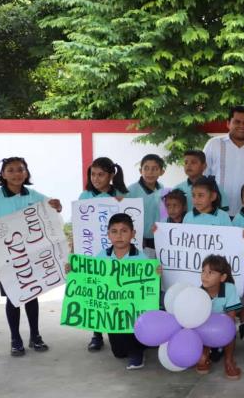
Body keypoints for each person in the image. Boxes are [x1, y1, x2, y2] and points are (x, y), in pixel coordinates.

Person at [0, 157, 62, 356]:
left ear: (26, 173)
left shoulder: (33, 195)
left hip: (32, 256)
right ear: (3, 175)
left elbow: (53, 209)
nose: (16, 174)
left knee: (32, 294)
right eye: (11, 170)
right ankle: (15, 339)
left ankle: (35, 336)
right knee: (13, 298)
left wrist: (57, 206)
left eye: (20, 169)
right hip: (8, 258)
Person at [78, 156, 128, 352]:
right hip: (93, 254)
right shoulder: (84, 197)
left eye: (101, 174)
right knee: (97, 294)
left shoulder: (123, 195)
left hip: (117, 253)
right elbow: (80, 227)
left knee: (115, 291)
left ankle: (118, 330)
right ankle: (96, 334)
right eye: (93, 174)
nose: (96, 178)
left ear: (111, 175)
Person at [92, 214, 150, 370]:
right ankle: (138, 346)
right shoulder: (102, 256)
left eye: (124, 231)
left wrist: (155, 273)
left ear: (133, 234)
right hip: (112, 309)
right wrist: (74, 270)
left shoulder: (142, 259)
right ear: (108, 234)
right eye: (114, 231)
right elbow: (91, 278)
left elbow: (148, 284)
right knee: (119, 353)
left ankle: (137, 351)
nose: (119, 235)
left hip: (133, 310)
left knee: (131, 338)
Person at [203, 106, 244, 216]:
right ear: (228, 123)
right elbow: (203, 178)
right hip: (216, 213)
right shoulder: (213, 144)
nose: (241, 126)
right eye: (237, 122)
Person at [195, 255, 243, 380]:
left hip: (223, 329)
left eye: (210, 272)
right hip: (204, 329)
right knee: (202, 360)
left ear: (222, 277)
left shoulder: (230, 289)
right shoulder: (198, 293)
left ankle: (228, 360)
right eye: (203, 271)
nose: (205, 275)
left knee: (230, 329)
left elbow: (230, 319)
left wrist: (220, 335)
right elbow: (196, 323)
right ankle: (205, 354)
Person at [127, 154, 166, 249]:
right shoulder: (131, 191)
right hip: (139, 239)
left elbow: (164, 213)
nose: (150, 172)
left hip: (158, 237)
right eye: (146, 168)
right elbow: (127, 216)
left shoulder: (162, 188)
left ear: (162, 172)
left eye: (155, 169)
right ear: (140, 171)